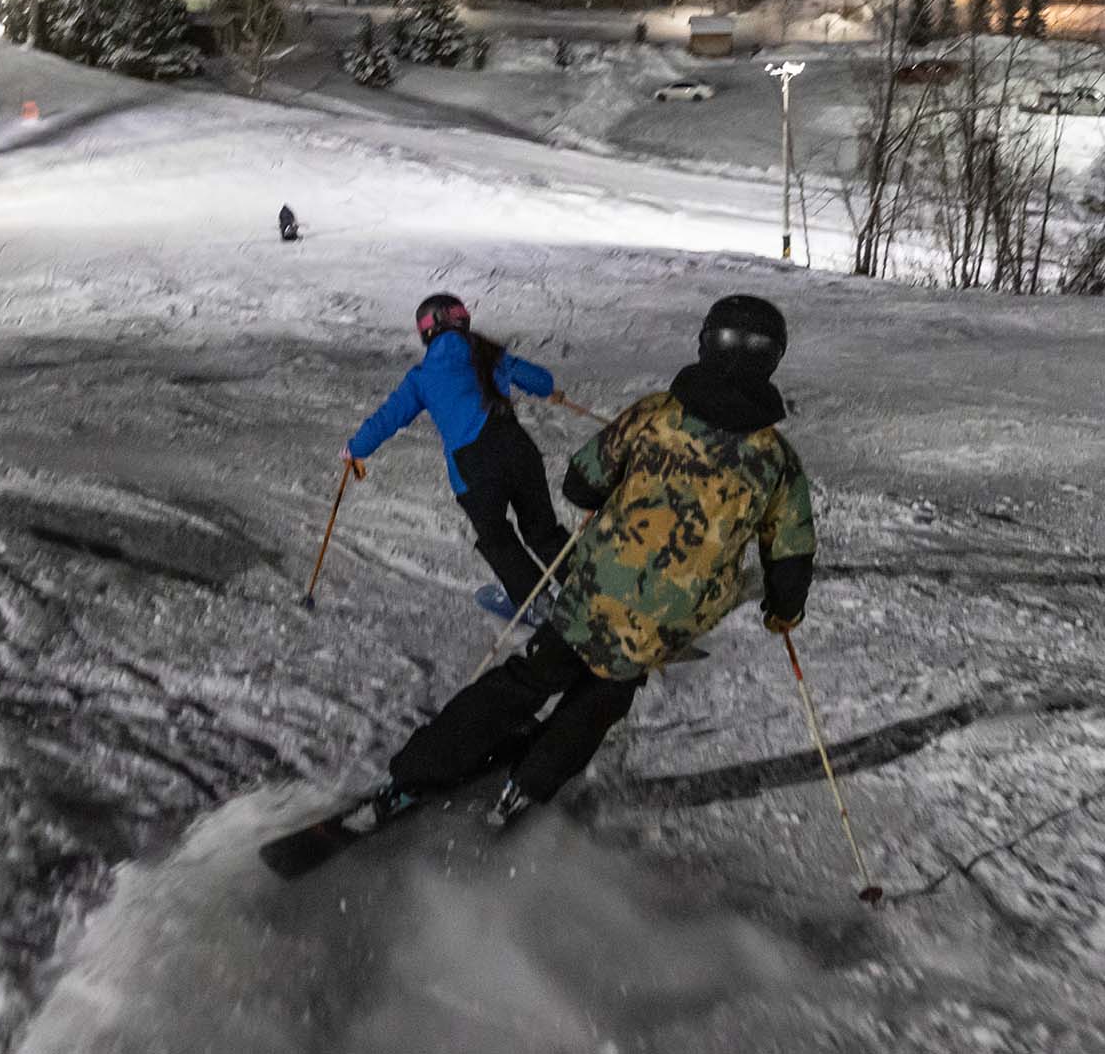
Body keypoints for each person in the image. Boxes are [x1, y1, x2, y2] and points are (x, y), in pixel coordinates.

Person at [378, 294, 816, 828]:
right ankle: (528, 784)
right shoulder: (777, 461)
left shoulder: (657, 413)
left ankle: (418, 772)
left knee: (528, 680)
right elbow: (791, 555)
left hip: (591, 596)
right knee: (603, 697)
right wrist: (783, 611)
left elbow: (581, 482)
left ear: (706, 344)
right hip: (665, 620)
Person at [346, 294, 567, 607]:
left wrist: (356, 448)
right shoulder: (489, 354)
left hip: (474, 469)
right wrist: (536, 382)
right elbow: (542, 382)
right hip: (518, 449)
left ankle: (538, 604)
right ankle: (590, 591)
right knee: (543, 531)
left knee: (497, 538)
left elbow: (387, 419)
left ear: (427, 332)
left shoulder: (421, 378)